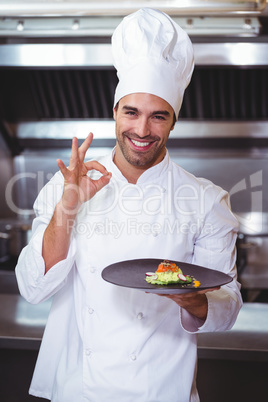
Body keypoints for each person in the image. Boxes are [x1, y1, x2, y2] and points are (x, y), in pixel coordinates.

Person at [15, 8, 242, 402]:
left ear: (173, 122)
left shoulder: (206, 201)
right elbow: (32, 289)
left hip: (161, 390)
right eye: (131, 112)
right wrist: (68, 206)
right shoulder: (70, 182)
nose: (142, 130)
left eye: (158, 116)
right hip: (79, 389)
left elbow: (229, 307)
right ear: (114, 112)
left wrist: (192, 298)